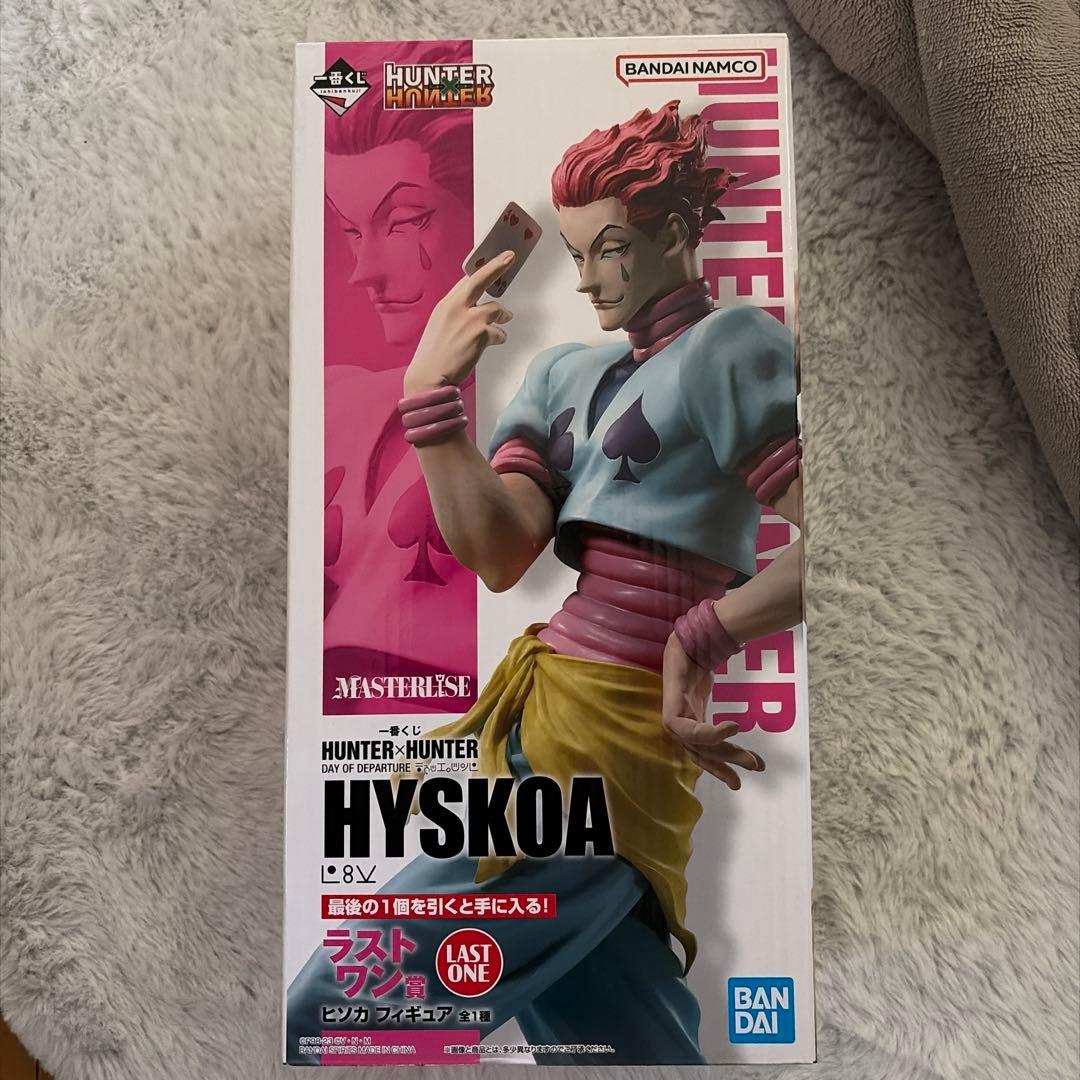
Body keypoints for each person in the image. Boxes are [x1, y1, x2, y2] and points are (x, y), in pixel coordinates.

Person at [287, 100, 802, 1065]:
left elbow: (840, 540)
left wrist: (704, 633)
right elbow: (498, 553)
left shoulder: (735, 347)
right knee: (626, 1046)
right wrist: (428, 400)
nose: (589, 277)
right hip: (541, 716)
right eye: (575, 252)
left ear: (676, 234)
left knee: (334, 1008)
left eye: (612, 249)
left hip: (606, 748)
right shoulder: (565, 373)